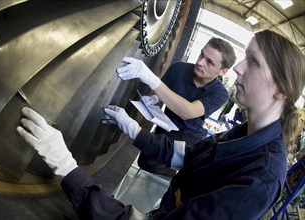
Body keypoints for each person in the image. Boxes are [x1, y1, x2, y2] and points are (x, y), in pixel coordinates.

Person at [17, 29, 305, 219]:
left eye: (252, 62)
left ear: (280, 89)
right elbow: (187, 155)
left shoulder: (260, 181)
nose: (240, 68)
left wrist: (69, 170)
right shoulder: (242, 133)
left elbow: (190, 112)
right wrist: (133, 127)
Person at [117, 37, 236, 176]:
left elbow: (188, 112)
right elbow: (163, 93)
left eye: (209, 62)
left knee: (170, 177)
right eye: (202, 54)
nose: (200, 62)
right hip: (164, 130)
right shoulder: (178, 68)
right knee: (144, 163)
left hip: (188, 143)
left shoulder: (221, 93)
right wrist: (155, 98)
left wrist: (149, 77)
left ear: (223, 71)